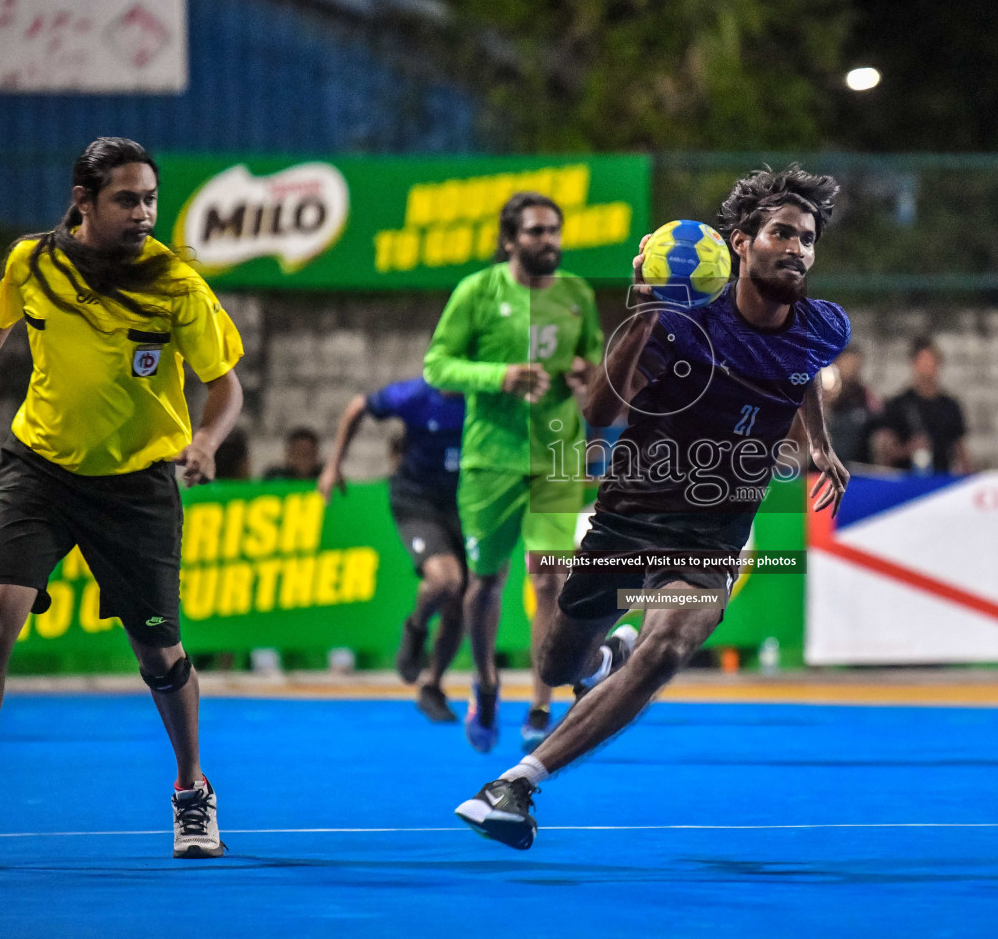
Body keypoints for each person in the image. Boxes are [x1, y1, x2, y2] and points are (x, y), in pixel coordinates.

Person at [454, 165, 851, 850]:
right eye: (781, 233)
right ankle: (604, 658)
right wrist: (642, 317)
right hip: (627, 518)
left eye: (808, 239)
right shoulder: (683, 323)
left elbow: (804, 366)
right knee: (556, 668)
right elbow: (597, 414)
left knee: (669, 646)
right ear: (740, 244)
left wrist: (820, 441)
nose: (797, 249)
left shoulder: (823, 324)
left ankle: (517, 784)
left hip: (716, 534)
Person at [0, 137, 244, 859]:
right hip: (41, 468)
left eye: (151, 198)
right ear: (84, 200)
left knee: (157, 648)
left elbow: (225, 384)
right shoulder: (35, 261)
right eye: (127, 199)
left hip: (136, 485)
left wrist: (207, 442)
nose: (144, 212)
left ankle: (192, 792)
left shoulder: (177, 284)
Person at [423, 192, 602, 754]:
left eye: (554, 231)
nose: (547, 241)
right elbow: (437, 365)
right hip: (491, 458)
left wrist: (586, 377)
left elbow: (597, 365)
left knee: (549, 576)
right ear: (509, 240)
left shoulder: (577, 295)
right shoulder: (477, 292)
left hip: (557, 454)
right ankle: (486, 682)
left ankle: (542, 699)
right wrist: (500, 376)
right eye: (535, 232)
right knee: (487, 583)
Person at [318, 377, 466, 722]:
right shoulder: (414, 395)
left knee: (461, 600)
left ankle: (433, 685)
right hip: (417, 501)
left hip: (465, 503)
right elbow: (358, 406)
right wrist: (333, 465)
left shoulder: (484, 396)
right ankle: (416, 627)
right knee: (445, 581)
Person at [870, 337, 970, 474]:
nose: (928, 367)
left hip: (941, 479)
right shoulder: (898, 405)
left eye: (932, 361)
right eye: (923, 361)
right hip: (907, 481)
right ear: (914, 363)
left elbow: (960, 449)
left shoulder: (950, 406)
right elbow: (885, 452)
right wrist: (907, 449)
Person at [823, 345, 880, 466]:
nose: (851, 370)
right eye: (847, 364)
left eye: (855, 365)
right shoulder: (823, 395)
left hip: (858, 465)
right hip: (824, 464)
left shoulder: (867, 397)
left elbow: (879, 422)